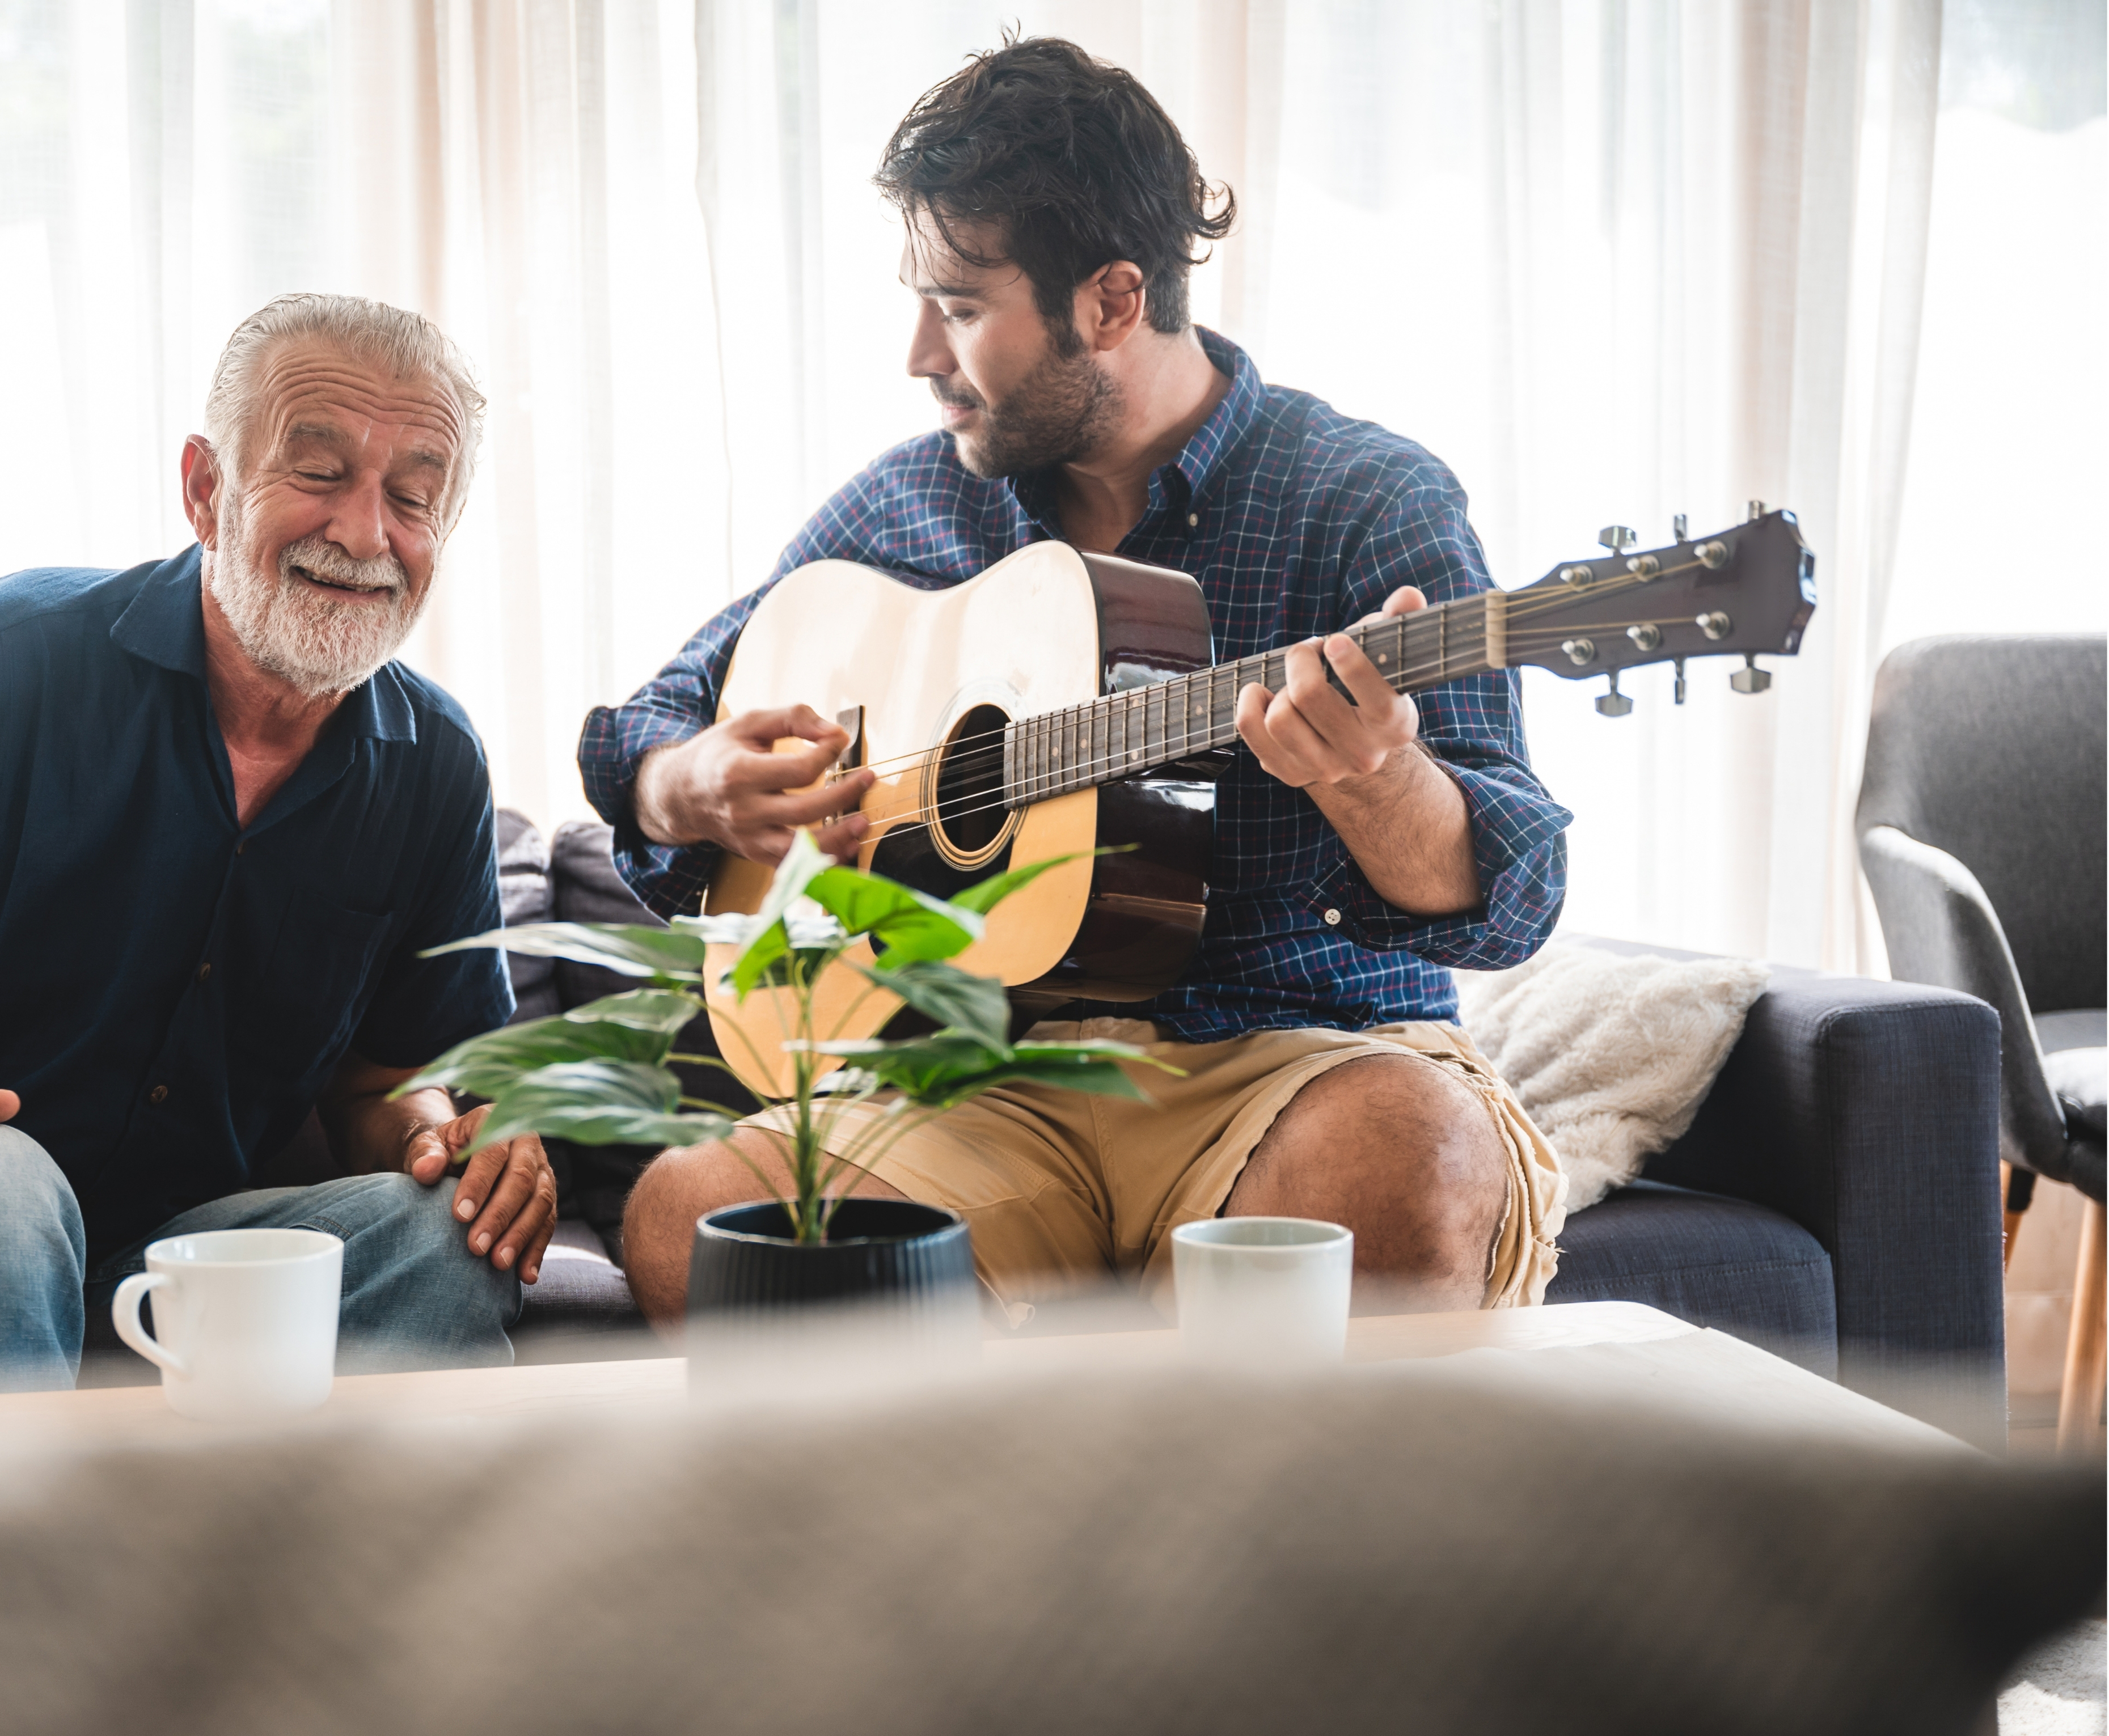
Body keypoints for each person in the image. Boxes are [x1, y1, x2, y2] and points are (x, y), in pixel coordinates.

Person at [582, 38, 1573, 1328]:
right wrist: (689, 784)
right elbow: (651, 723)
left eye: (958, 308)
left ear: (1110, 300)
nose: (919, 355)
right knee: (693, 1221)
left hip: (1295, 1063)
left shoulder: (1363, 497)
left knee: (1410, 1154)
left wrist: (1379, 779)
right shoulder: (906, 507)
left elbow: (1512, 892)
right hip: (980, 1087)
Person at [0, 293, 551, 1391]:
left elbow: (381, 1085)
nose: (364, 533)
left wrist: (448, 1146)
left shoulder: (435, 766)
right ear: (205, 489)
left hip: (178, 1246)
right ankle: (25, 1509)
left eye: (413, 497)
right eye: (319, 472)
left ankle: (262, 1515)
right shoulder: (6, 660)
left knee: (448, 1238)